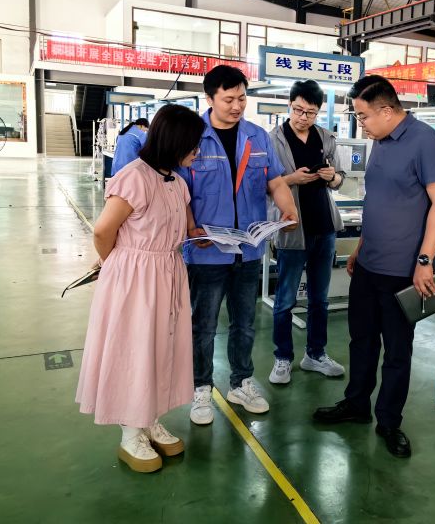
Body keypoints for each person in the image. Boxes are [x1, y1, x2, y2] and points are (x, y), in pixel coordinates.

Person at [313, 75, 435, 458]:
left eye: (363, 116)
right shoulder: (380, 141)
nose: (360, 124)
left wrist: (424, 262)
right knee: (361, 339)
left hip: (403, 271)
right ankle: (356, 403)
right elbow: (378, 200)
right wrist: (360, 248)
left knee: (396, 350)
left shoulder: (426, 142)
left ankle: (389, 420)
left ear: (387, 110)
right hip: (369, 264)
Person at [76, 104, 205, 473]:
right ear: (175, 141)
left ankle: (148, 418)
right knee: (134, 348)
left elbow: (182, 227)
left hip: (167, 271)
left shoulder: (177, 182)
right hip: (135, 277)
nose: (197, 151)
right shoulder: (134, 176)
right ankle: (130, 432)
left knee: (160, 346)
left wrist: (199, 235)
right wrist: (117, 266)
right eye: (193, 144)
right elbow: (103, 231)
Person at [178, 65, 298, 425]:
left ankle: (241, 382)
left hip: (248, 249)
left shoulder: (256, 137)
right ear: (209, 98)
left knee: (245, 323)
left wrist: (287, 206)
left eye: (242, 98)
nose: (237, 106)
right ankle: (201, 388)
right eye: (228, 99)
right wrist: (190, 227)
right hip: (207, 251)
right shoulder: (192, 137)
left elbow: (275, 180)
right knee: (203, 325)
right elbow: (180, 191)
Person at [268, 80, 346, 385]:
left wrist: (331, 176)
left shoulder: (326, 137)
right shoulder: (273, 139)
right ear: (289, 105)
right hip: (291, 228)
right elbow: (264, 183)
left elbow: (339, 179)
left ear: (318, 112)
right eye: (298, 110)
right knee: (285, 299)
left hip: (324, 227)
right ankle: (282, 358)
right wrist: (292, 179)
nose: (303, 117)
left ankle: (315, 354)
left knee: (320, 298)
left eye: (310, 112)